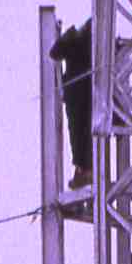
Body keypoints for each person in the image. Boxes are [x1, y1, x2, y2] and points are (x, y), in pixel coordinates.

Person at [50, 18, 93, 189]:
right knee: (84, 135)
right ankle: (85, 171)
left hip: (81, 96)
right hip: (86, 96)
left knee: (80, 135)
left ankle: (84, 171)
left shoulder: (78, 40)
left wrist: (69, 34)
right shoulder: (84, 41)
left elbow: (55, 53)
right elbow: (55, 53)